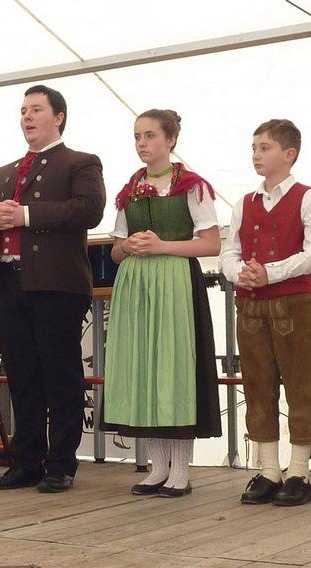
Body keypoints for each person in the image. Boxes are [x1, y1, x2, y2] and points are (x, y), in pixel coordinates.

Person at [0, 85, 105, 493]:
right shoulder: (5, 172)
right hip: (9, 282)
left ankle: (61, 463)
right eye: (23, 110)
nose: (26, 117)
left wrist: (25, 215)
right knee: (22, 374)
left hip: (55, 284)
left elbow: (89, 209)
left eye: (36, 110)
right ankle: (25, 461)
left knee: (60, 373)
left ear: (58, 117)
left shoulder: (80, 162)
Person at [102, 109, 222, 498]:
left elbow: (211, 244)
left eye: (150, 135)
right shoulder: (130, 190)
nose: (142, 143)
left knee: (174, 369)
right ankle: (158, 467)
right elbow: (115, 251)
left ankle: (180, 470)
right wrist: (130, 245)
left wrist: (162, 246)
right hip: (137, 286)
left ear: (170, 140)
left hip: (175, 283)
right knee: (144, 369)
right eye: (137, 136)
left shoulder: (192, 186)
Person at [220, 119, 311, 506]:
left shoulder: (308, 197)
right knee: (257, 385)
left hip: (293, 303)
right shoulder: (244, 202)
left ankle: (299, 473)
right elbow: (229, 251)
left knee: (300, 384)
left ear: (289, 154)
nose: (256, 154)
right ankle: (268, 471)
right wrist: (240, 272)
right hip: (250, 302)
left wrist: (271, 272)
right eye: (254, 147)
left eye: (264, 147)